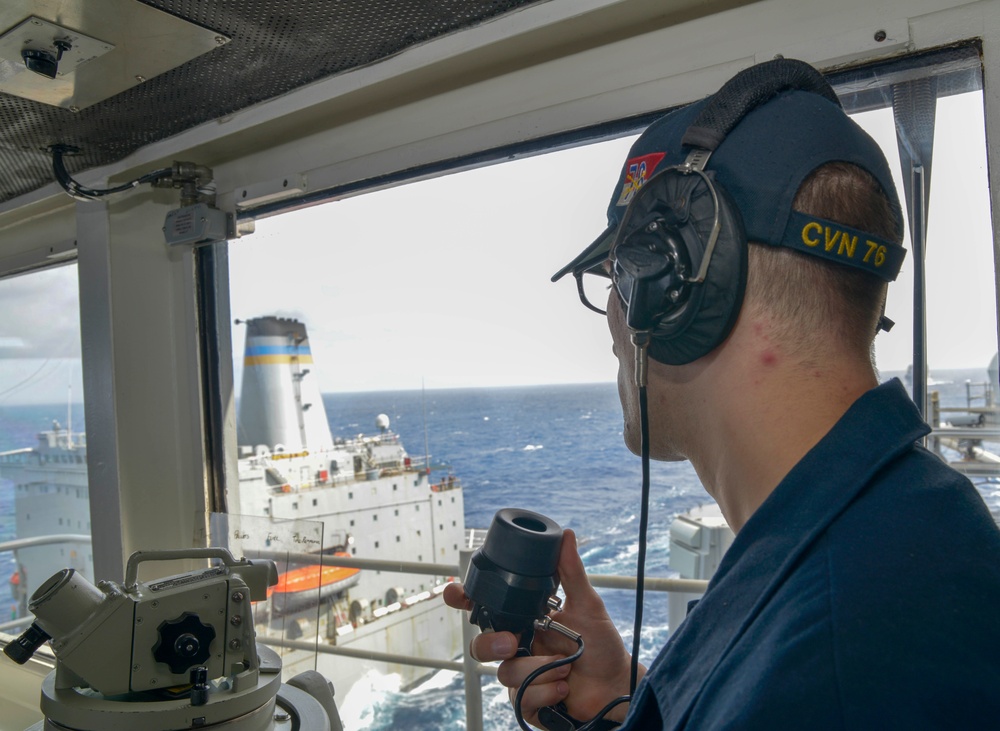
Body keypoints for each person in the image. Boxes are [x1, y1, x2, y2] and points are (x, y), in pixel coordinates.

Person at [444, 58, 1000, 729]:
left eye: (622, 275)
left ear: (677, 292)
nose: (617, 326)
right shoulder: (909, 531)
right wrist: (629, 701)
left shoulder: (826, 663)